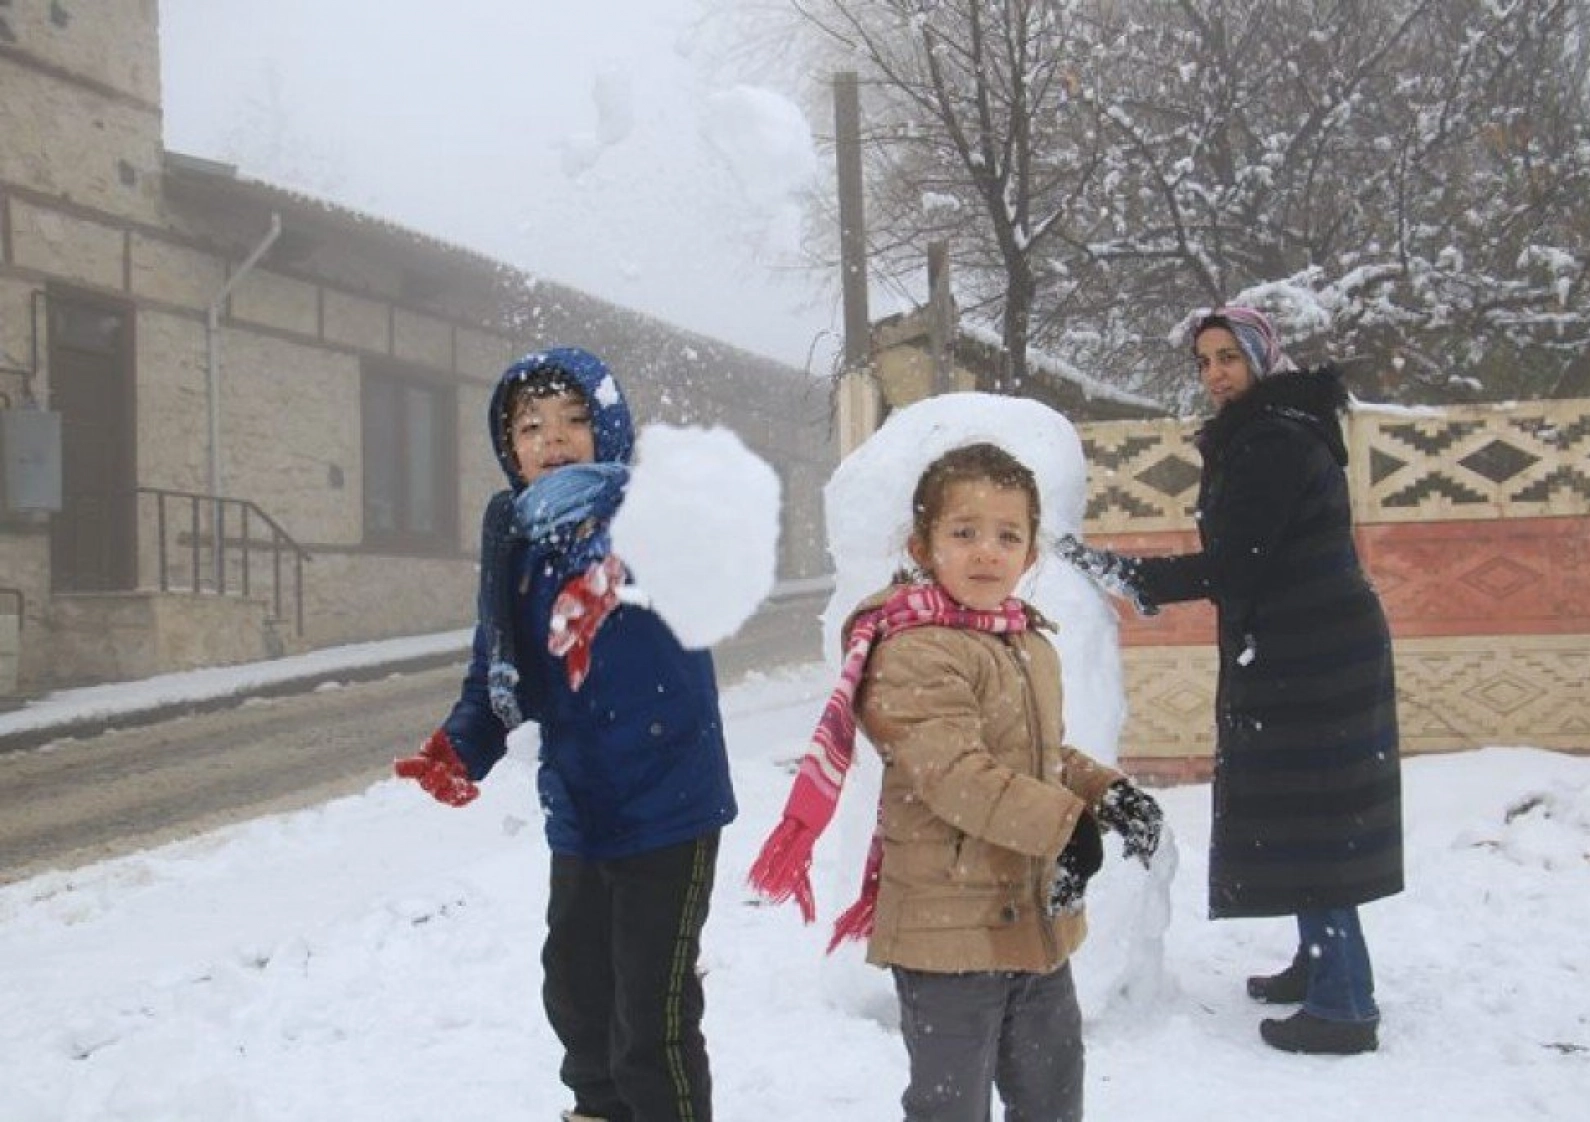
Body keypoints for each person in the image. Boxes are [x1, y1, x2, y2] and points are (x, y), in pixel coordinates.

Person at [750, 442, 1163, 1122]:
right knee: (951, 1108)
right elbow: (954, 775)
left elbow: (1038, 755)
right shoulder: (914, 646)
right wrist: (1067, 827)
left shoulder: (1027, 642)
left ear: (1031, 555)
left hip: (1034, 921)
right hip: (948, 936)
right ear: (923, 545)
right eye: (963, 533)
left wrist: (1105, 793)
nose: (985, 552)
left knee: (1054, 1097)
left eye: (1007, 536)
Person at [394, 346, 735, 1122]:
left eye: (575, 419)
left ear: (608, 427)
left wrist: (620, 571)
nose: (552, 437)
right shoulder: (519, 548)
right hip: (582, 810)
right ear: (508, 447)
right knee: (578, 991)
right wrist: (460, 747)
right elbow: (497, 671)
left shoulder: (647, 514)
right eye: (530, 425)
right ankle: (600, 1112)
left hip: (669, 808)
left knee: (653, 1014)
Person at [1056, 306, 1403, 1055]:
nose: (1215, 374)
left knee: (1315, 816)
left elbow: (1235, 561)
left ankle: (1344, 1004)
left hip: (1315, 656)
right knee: (1311, 812)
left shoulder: (1273, 440)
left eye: (1228, 359)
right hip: (1303, 646)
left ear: (1260, 361)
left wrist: (1125, 573)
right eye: (1205, 361)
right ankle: (1319, 966)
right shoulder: (1270, 429)